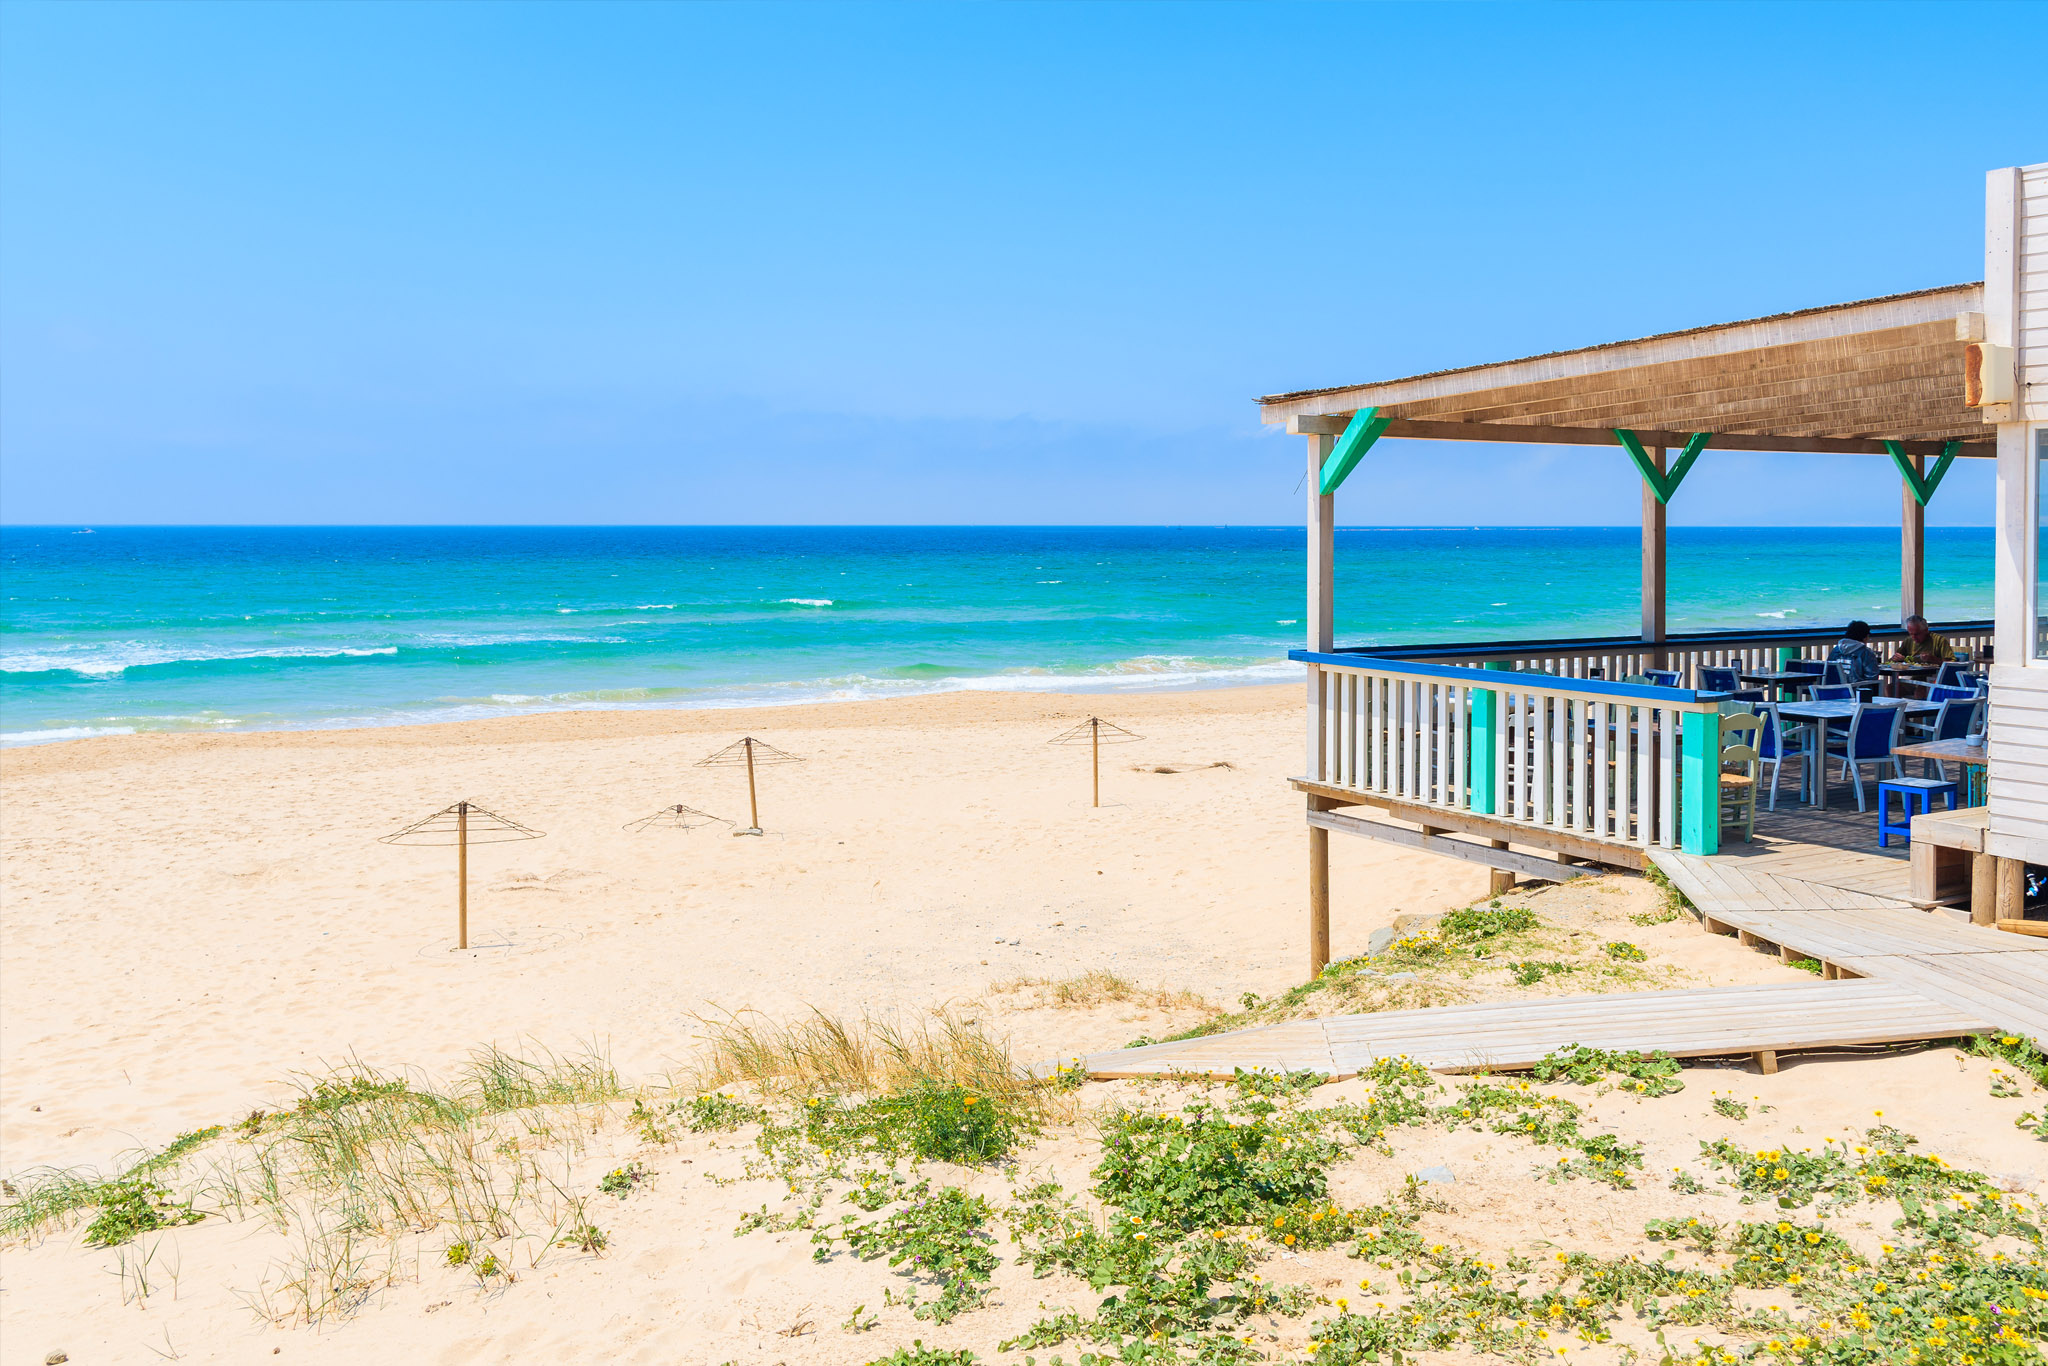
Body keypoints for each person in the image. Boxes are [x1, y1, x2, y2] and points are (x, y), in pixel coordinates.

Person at [1827, 620, 1881, 685]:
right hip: (1857, 690)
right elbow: (1872, 676)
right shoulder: (1866, 652)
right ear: (1865, 637)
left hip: (1834, 689)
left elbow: (1829, 670)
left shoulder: (1836, 650)